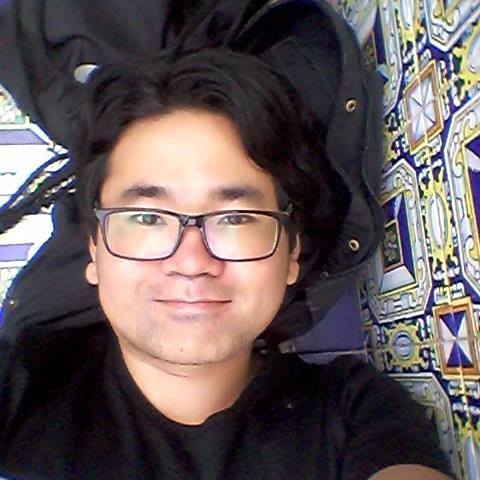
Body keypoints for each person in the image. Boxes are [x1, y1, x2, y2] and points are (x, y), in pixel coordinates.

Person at [0, 46, 454, 479]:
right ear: (95, 251)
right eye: (147, 218)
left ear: (291, 254)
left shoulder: (356, 416)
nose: (191, 261)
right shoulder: (19, 391)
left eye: (235, 218)